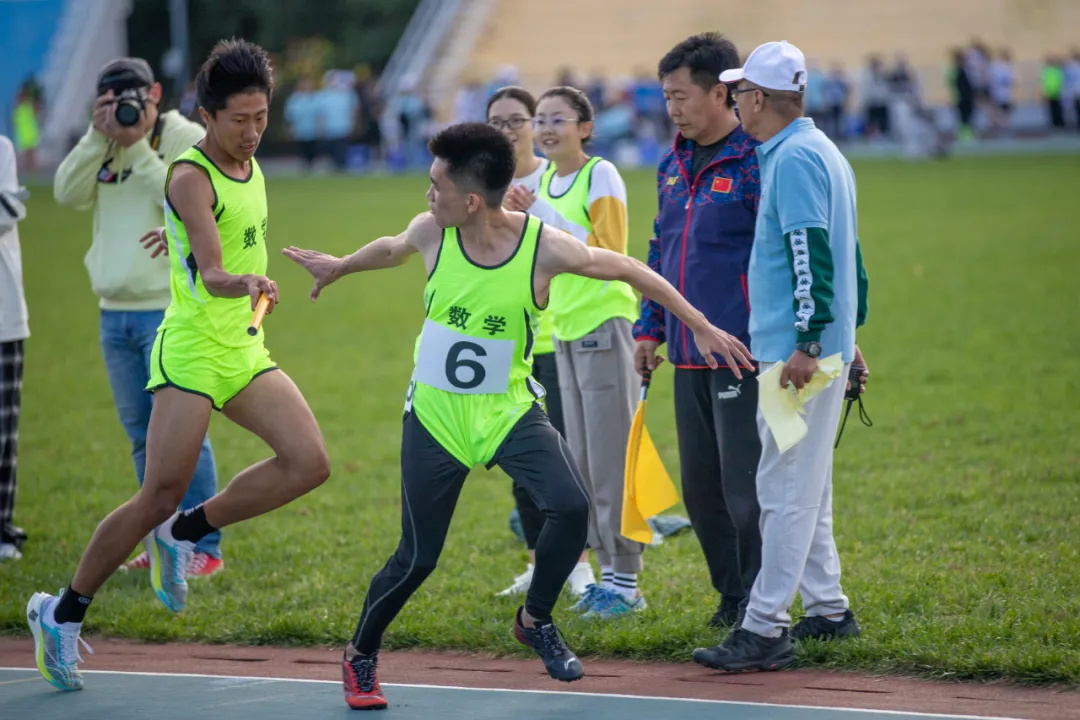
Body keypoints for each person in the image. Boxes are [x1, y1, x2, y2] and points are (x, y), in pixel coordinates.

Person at [282, 121, 752, 710]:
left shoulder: (542, 247)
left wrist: (700, 325)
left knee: (572, 508)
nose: (428, 194)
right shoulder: (431, 232)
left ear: (472, 199)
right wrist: (340, 265)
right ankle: (360, 654)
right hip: (436, 418)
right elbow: (391, 248)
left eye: (437, 185)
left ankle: (535, 618)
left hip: (509, 412)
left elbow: (631, 269)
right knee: (417, 557)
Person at [27, 38, 332, 693]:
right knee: (157, 492)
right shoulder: (190, 174)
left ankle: (187, 533)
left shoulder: (251, 167)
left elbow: (218, 235)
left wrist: (228, 263)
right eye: (239, 120)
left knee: (309, 462)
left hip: (242, 350)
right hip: (192, 350)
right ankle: (62, 613)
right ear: (207, 112)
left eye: (262, 118)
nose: (252, 132)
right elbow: (214, 271)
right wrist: (242, 279)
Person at [693, 40, 869, 672]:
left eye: (739, 92)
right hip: (813, 347)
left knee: (784, 489)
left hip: (795, 354)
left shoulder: (791, 159)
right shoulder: (818, 151)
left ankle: (765, 626)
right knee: (806, 489)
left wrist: (812, 343)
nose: (735, 101)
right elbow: (848, 260)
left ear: (758, 99)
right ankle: (827, 608)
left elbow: (809, 255)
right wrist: (844, 338)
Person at [52, 56, 224, 576]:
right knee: (141, 435)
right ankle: (160, 545)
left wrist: (137, 146)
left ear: (154, 93)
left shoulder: (182, 136)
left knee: (185, 432)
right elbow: (64, 193)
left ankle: (204, 548)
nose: (125, 109)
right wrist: (96, 134)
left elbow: (192, 199)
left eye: (131, 98)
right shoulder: (101, 140)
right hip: (114, 311)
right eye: (110, 101)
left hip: (167, 308)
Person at [634, 32, 763, 629]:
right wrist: (649, 330)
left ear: (721, 92)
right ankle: (732, 597)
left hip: (744, 356)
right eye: (666, 98)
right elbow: (659, 256)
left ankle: (763, 605)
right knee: (703, 494)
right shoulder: (669, 164)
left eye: (681, 96)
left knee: (746, 493)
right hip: (685, 357)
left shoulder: (758, 161)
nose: (673, 109)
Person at [502, 86, 644, 620]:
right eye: (540, 119)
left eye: (558, 119)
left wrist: (537, 211)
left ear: (586, 127)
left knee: (609, 462)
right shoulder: (546, 182)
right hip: (565, 330)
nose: (545, 128)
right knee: (582, 465)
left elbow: (605, 251)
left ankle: (626, 584)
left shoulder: (598, 174)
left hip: (604, 325)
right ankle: (609, 580)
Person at [486, 86, 595, 599]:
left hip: (555, 336)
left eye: (515, 121)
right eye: (496, 122)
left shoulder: (548, 178)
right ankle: (536, 561)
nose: (507, 131)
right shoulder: (485, 181)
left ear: (534, 124)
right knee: (517, 455)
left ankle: (581, 564)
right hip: (505, 339)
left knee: (565, 453)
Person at [0, 134, 30, 561]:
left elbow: (8, 211)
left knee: (3, 431)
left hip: (4, 316)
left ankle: (2, 528)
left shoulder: (1, 147)